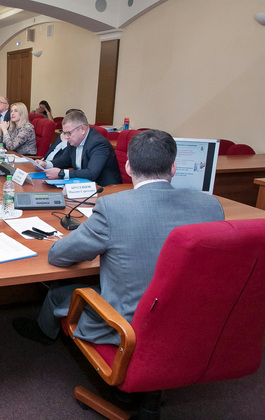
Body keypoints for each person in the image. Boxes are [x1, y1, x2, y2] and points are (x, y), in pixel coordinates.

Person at [13, 129, 225, 345]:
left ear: (128, 167)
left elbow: (58, 256)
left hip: (127, 329)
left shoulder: (112, 207)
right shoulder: (211, 206)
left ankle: (44, 333)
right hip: (191, 320)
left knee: (58, 291)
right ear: (173, 167)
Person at [41, 109, 121, 186]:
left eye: (69, 133)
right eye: (64, 133)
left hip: (104, 188)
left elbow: (92, 173)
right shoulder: (73, 141)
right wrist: (46, 164)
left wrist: (61, 173)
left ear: (82, 129)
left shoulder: (98, 144)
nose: (66, 137)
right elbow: (64, 161)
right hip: (81, 185)